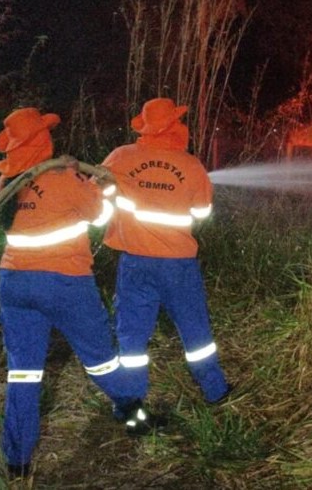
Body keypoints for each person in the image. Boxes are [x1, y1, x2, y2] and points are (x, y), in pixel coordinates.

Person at [0, 107, 136, 484]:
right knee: (100, 360)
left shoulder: (8, 183)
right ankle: (133, 409)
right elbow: (100, 217)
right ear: (43, 139)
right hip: (64, 282)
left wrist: (67, 170)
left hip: (14, 284)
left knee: (23, 372)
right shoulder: (64, 180)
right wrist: (96, 184)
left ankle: (17, 460)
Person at [100, 97, 230, 435]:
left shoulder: (120, 157)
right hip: (178, 265)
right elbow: (201, 214)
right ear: (176, 126)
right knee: (195, 330)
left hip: (134, 262)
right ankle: (216, 392)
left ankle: (129, 405)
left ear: (143, 126)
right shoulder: (190, 165)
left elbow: (95, 196)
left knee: (131, 336)